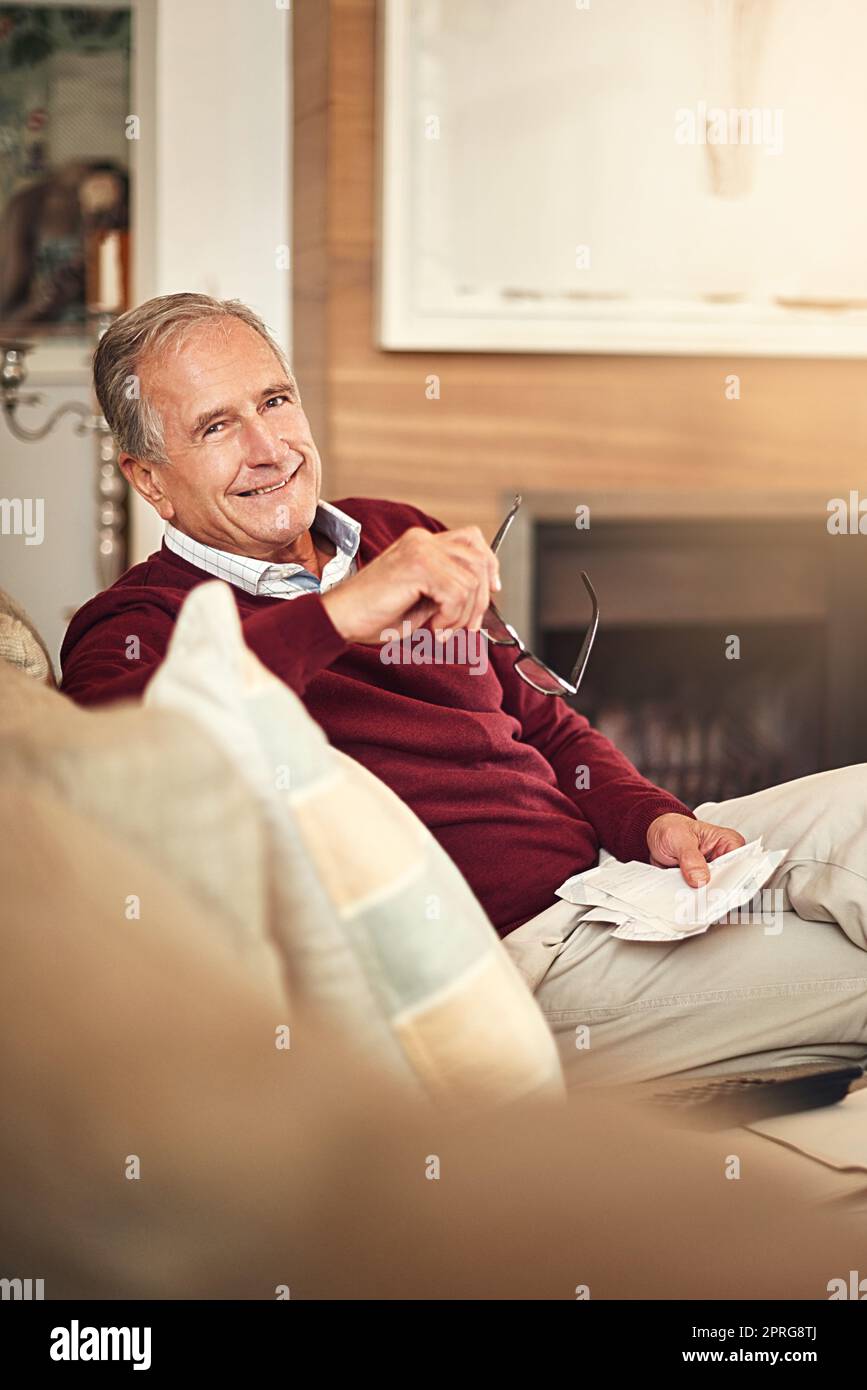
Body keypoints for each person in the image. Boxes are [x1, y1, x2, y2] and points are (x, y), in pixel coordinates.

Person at [61, 293, 867, 1087]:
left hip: (622, 880)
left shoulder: (391, 529)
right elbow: (127, 765)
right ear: (150, 480)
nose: (270, 447)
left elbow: (541, 721)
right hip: (519, 968)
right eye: (215, 427)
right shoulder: (134, 624)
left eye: (274, 401)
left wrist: (650, 817)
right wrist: (336, 618)